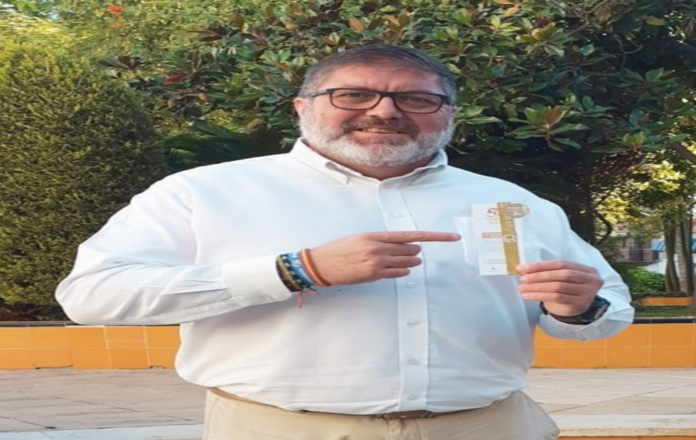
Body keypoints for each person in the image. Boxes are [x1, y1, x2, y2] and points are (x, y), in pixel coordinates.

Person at [56, 44, 635, 440]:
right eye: (353, 95)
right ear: (303, 107)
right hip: (284, 428)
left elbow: (606, 311)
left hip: (486, 426)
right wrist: (296, 269)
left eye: (417, 99)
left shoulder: (513, 203)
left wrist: (578, 307)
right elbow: (92, 295)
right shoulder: (203, 192)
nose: (385, 111)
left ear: (449, 115)